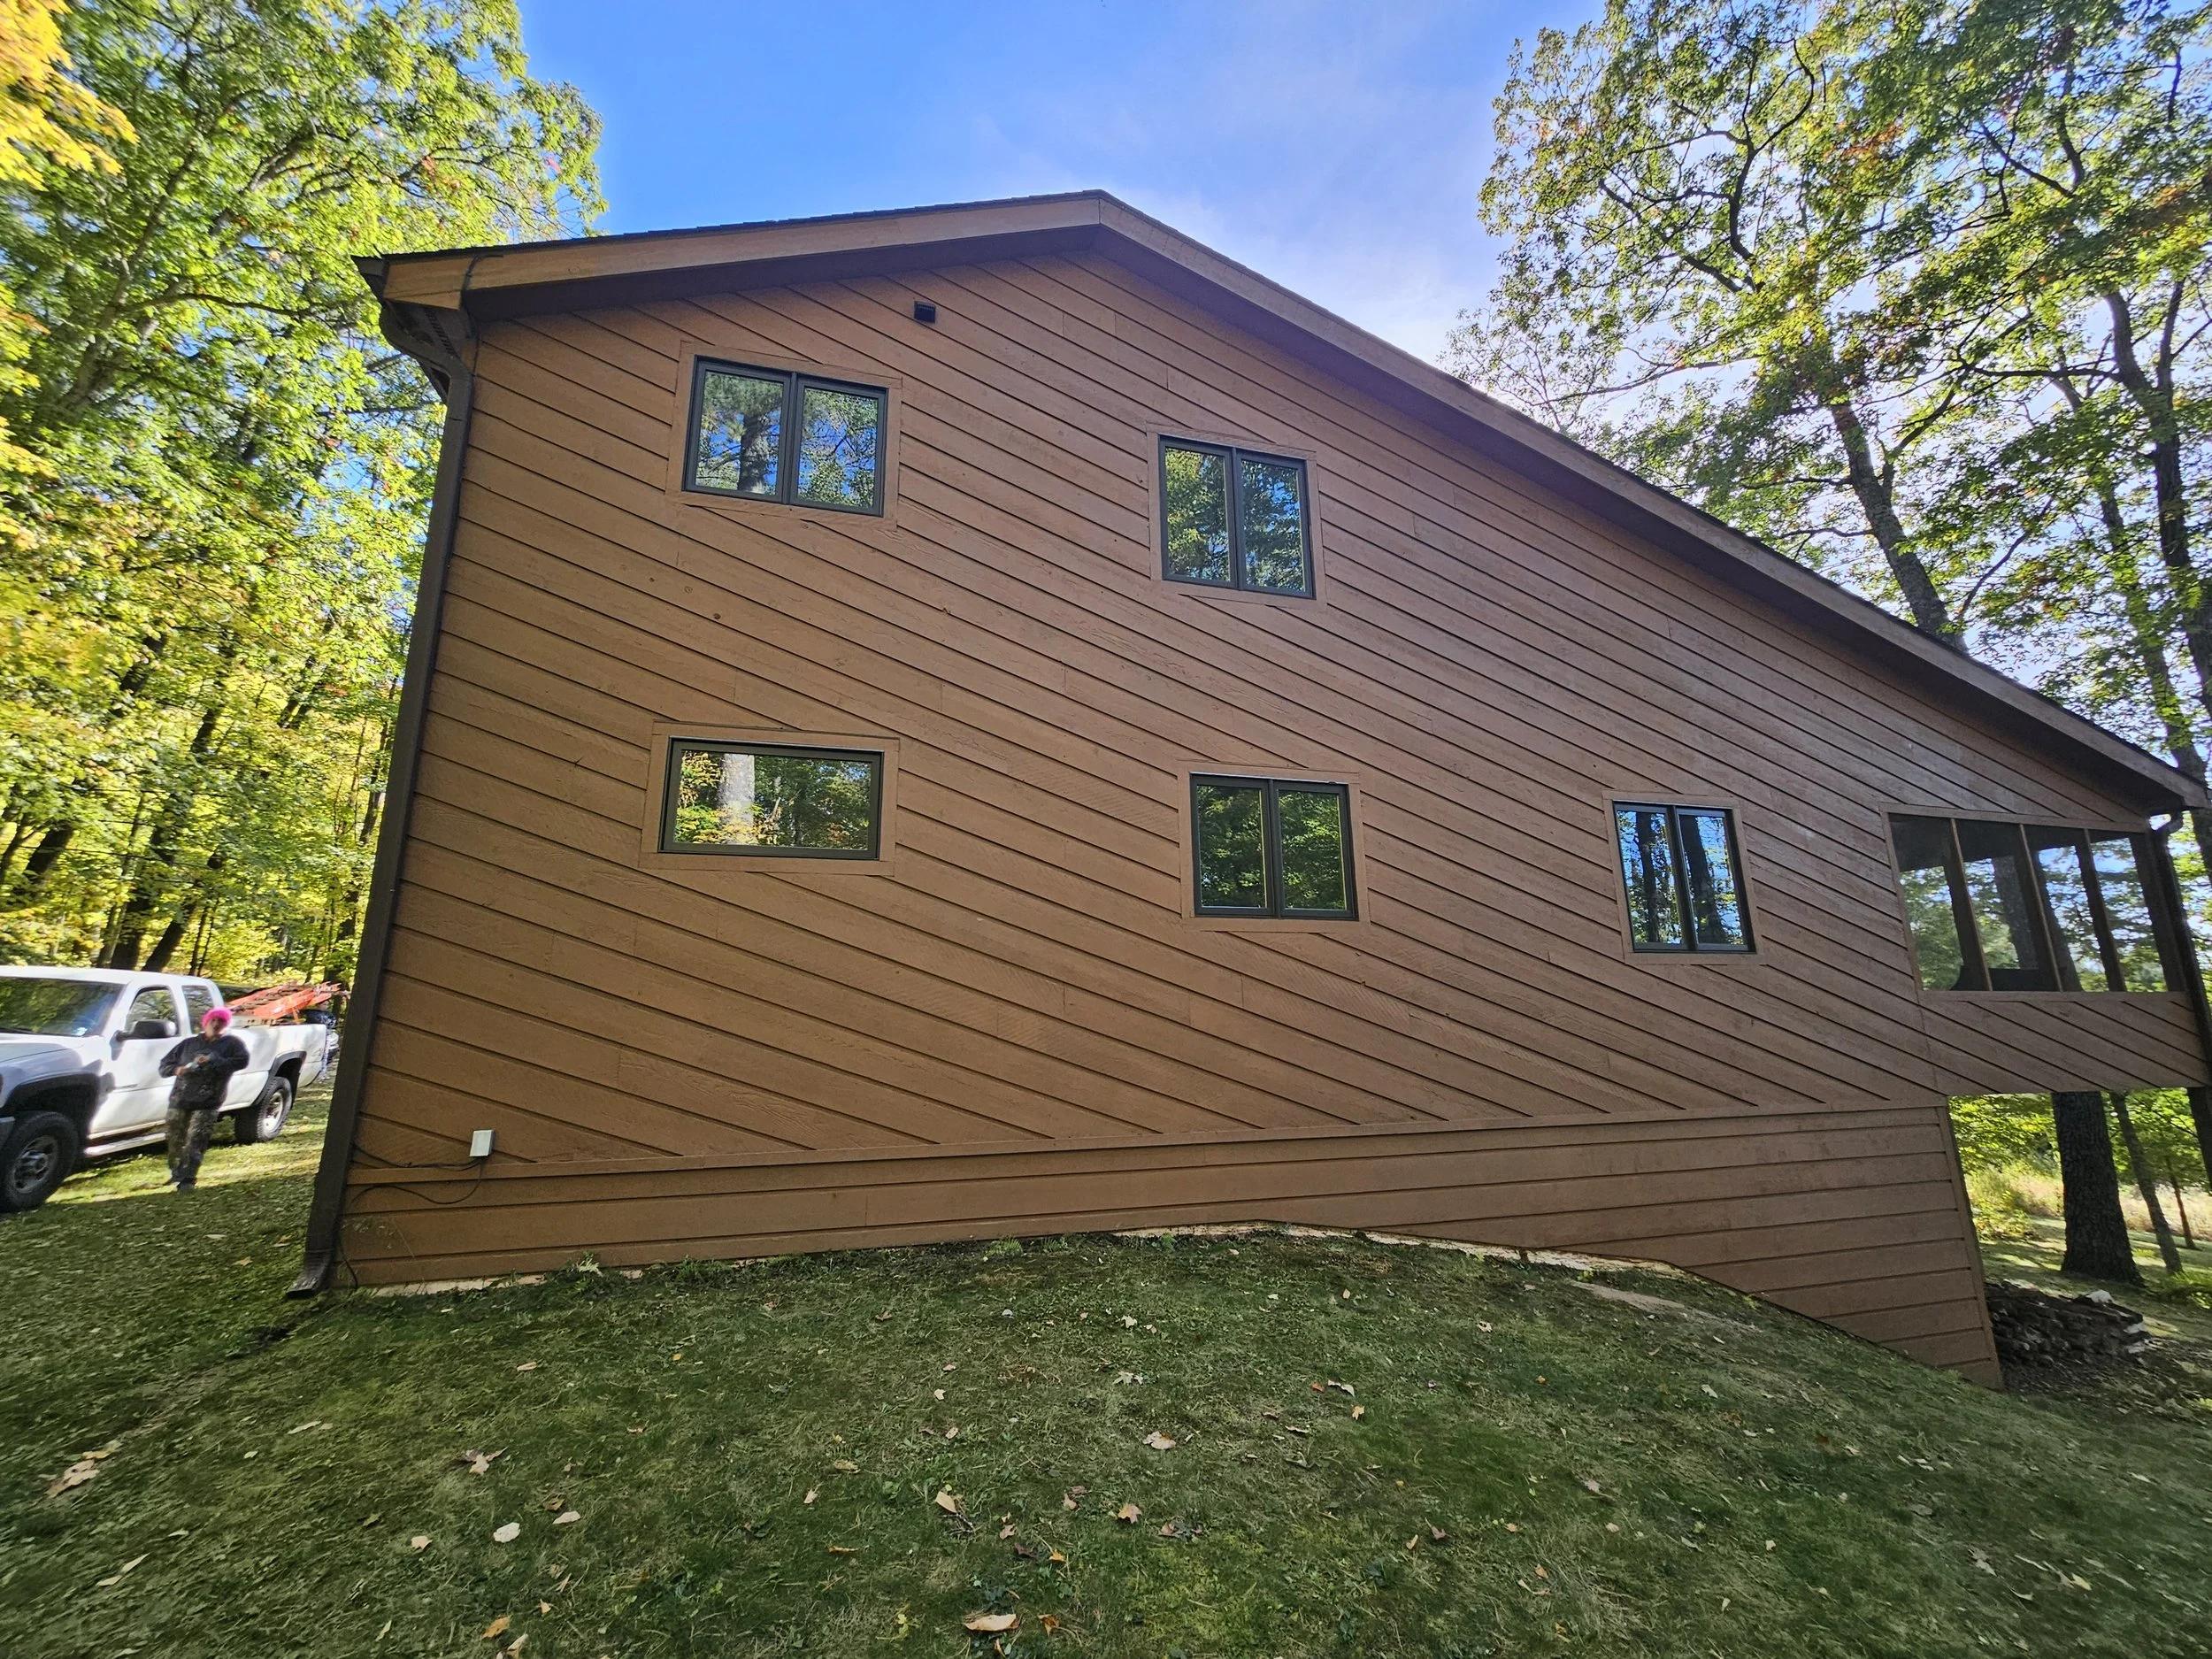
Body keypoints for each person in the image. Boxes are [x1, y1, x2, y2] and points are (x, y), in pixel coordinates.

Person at [159, 1006, 250, 1192]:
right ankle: (177, 1172)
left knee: (196, 1139)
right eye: (213, 1021)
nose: (216, 1024)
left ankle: (188, 1179)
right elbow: (164, 1066)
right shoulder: (188, 1044)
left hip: (208, 1100)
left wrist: (214, 1059)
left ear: (226, 1024)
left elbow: (241, 1062)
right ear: (205, 1022)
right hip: (180, 1098)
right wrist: (178, 1070)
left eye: (221, 1021)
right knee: (174, 1137)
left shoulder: (231, 1044)